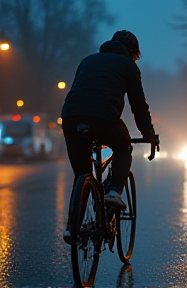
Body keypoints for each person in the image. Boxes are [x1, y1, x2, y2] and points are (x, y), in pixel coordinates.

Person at [61, 30, 156, 243]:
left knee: (81, 175)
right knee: (123, 148)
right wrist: (148, 135)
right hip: (104, 118)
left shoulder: (88, 60)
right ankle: (114, 191)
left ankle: (72, 227)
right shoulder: (128, 66)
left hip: (71, 117)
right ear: (133, 53)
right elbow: (138, 106)